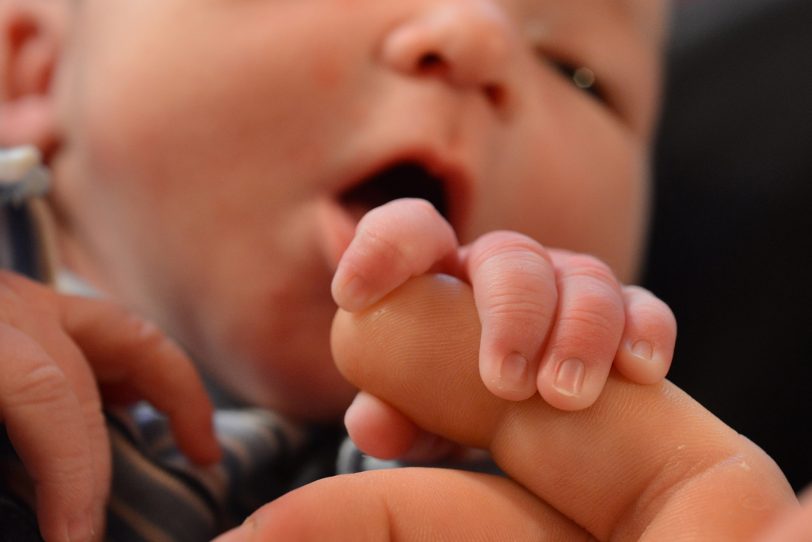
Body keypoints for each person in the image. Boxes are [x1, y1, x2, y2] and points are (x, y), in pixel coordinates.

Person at [0, 0, 805, 540]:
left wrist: (573, 401)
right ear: (29, 70)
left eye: (578, 74)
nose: (476, 37)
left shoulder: (494, 481)